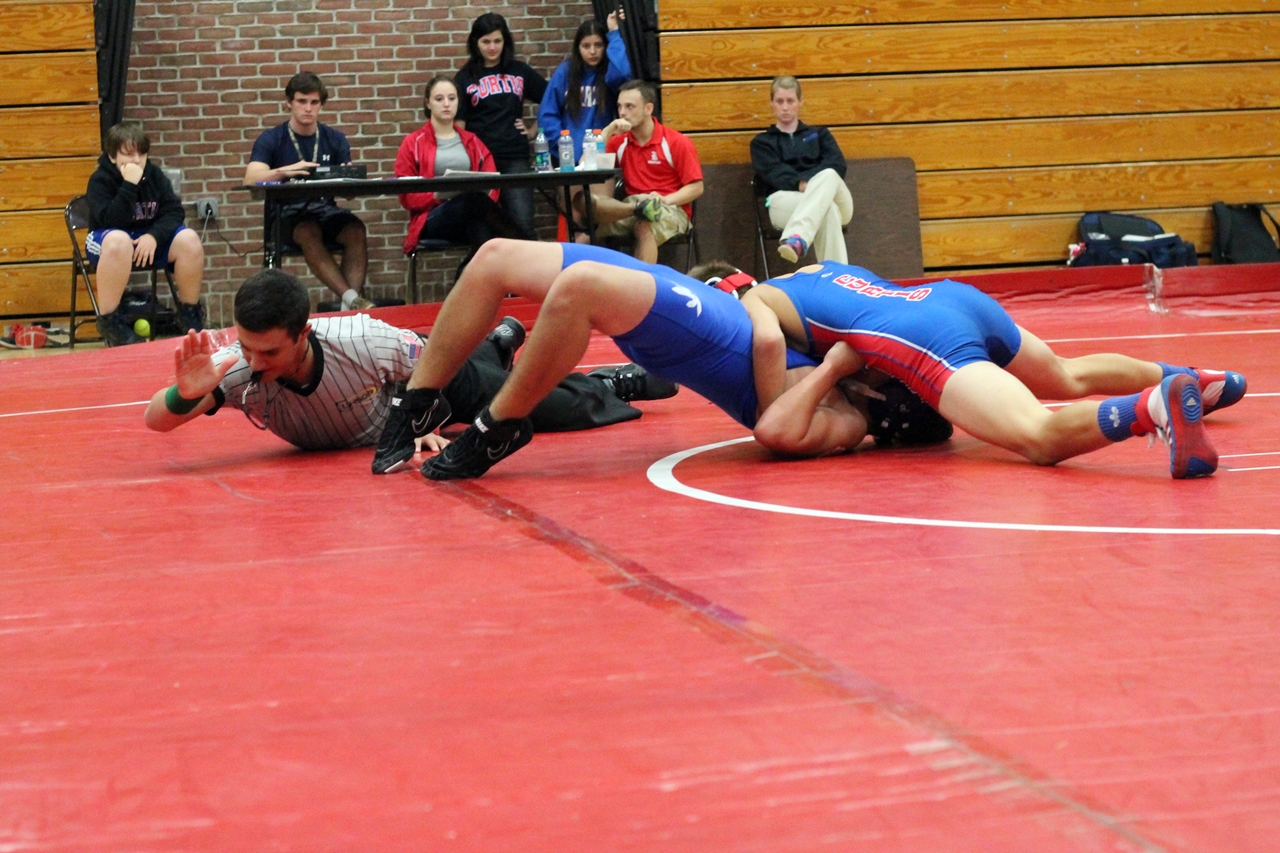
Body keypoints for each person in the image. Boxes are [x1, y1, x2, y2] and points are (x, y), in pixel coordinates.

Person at [370, 239, 869, 478]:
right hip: (695, 304)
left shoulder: (849, 415)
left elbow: (772, 425)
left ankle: (498, 427)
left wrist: (832, 366)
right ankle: (416, 403)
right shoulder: (838, 367)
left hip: (696, 327)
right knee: (493, 257)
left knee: (579, 287)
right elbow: (771, 331)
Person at [739, 261, 1248, 478]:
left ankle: (1154, 405)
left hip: (920, 336)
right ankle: (1193, 378)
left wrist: (773, 397)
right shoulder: (817, 270)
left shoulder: (755, 297)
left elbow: (765, 340)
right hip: (950, 298)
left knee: (1039, 436)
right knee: (1066, 374)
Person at [144, 268, 672, 454]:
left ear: (304, 333)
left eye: (269, 352)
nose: (255, 362)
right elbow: (156, 421)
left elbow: (431, 366)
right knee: (491, 371)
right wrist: (184, 396)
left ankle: (610, 384)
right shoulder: (238, 369)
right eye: (247, 347)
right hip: (396, 391)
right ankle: (497, 342)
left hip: (424, 375)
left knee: (520, 406)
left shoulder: (363, 339)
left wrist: (420, 418)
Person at [245, 71, 373, 311]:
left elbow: (349, 194)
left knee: (356, 230)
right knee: (307, 230)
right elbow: (251, 178)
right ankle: (352, 300)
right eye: (302, 101)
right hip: (286, 215)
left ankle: (349, 307)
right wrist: (284, 171)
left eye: (314, 102)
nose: (308, 108)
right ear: (289, 103)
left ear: (321, 105)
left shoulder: (335, 139)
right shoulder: (272, 138)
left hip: (324, 210)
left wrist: (348, 179)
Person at [85, 121, 206, 346]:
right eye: (128, 154)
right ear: (112, 156)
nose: (136, 160)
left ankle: (189, 314)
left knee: (189, 239)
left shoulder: (155, 175)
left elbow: (174, 211)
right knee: (119, 240)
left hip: (147, 241)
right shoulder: (100, 180)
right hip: (108, 241)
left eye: (141, 154)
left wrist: (153, 236)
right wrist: (129, 185)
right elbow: (110, 220)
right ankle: (110, 321)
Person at [396, 77, 530, 272]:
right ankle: (526, 249)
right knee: (474, 201)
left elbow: (492, 181)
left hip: (471, 213)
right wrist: (438, 195)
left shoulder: (472, 140)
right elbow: (406, 195)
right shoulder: (413, 142)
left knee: (480, 225)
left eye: (452, 98)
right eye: (439, 99)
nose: (446, 104)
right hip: (432, 217)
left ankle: (467, 275)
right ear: (428, 103)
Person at [586, 80, 704, 264]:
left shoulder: (676, 142)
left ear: (648, 109)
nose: (622, 112)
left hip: (670, 207)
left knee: (644, 224)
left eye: (629, 106)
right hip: (631, 206)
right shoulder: (618, 142)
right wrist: (607, 132)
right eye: (619, 106)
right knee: (589, 230)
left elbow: (696, 188)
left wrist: (665, 200)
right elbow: (585, 166)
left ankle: (640, 281)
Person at [454, 13, 548, 240]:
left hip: (514, 157)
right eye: (486, 41)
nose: (492, 47)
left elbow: (552, 100)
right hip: (479, 162)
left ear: (505, 41)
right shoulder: (465, 77)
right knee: (483, 229)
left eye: (497, 41)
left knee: (523, 224)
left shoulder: (519, 71)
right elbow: (459, 126)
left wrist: (533, 130)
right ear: (475, 42)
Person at [750, 76, 854, 265]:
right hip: (784, 201)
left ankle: (797, 237)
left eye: (790, 101)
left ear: (800, 102)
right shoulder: (762, 142)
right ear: (771, 103)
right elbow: (773, 173)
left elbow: (837, 164)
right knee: (827, 209)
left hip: (833, 197)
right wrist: (799, 184)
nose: (785, 107)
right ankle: (836, 277)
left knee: (830, 174)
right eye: (779, 101)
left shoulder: (820, 134)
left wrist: (810, 184)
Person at [537, 13, 631, 168]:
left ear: (606, 46)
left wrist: (614, 33)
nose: (592, 51)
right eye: (586, 46)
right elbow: (547, 114)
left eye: (598, 45)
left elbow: (622, 73)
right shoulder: (565, 72)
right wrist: (566, 148)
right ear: (578, 48)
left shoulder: (609, 71)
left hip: (602, 152)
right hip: (567, 156)